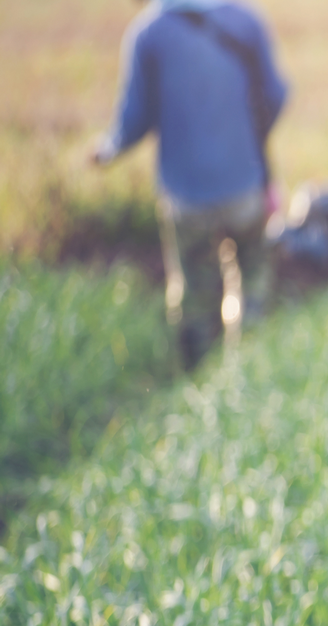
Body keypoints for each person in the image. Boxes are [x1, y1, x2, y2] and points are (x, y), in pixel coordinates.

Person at [92, 0, 289, 370]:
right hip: (245, 186)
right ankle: (246, 370)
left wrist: (107, 150)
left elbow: (133, 121)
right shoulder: (245, 20)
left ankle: (195, 378)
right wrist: (244, 140)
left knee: (194, 291)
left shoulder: (148, 33)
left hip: (186, 196)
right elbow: (275, 97)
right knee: (252, 282)